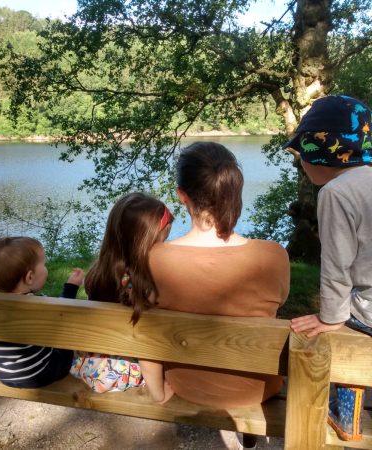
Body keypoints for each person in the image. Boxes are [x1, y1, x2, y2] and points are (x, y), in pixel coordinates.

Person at [148, 142, 290, 449]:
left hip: (187, 385)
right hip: (257, 388)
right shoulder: (273, 257)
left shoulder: (155, 259)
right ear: (233, 193)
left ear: (181, 195)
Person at [288, 95, 372, 442]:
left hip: (368, 309)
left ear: (320, 153)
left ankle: (344, 416)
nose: (301, 164)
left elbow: (337, 267)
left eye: (302, 154)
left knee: (336, 336)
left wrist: (331, 317)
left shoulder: (337, 193)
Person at [78, 192, 175, 403]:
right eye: (161, 243)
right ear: (146, 244)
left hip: (92, 364)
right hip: (122, 369)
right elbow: (147, 344)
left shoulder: (99, 272)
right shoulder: (143, 288)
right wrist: (159, 394)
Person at [0, 236, 84, 388]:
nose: (46, 268)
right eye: (44, 264)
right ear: (30, 277)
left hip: (3, 375)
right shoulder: (38, 305)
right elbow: (63, 318)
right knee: (67, 345)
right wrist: (71, 287)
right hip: (41, 374)